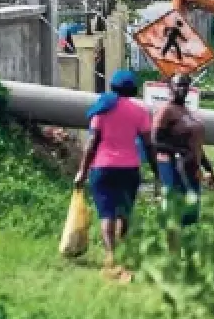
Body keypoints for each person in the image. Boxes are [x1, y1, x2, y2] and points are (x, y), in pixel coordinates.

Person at [74, 70, 157, 281]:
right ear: (132, 89)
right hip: (129, 169)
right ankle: (122, 255)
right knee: (124, 212)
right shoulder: (141, 113)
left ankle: (111, 256)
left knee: (107, 213)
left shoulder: (102, 109)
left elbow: (92, 144)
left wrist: (82, 171)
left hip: (103, 167)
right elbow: (149, 146)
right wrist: (158, 172)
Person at [152, 74, 214, 227]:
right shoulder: (166, 111)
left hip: (192, 170)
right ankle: (171, 248)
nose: (183, 88)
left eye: (186, 85)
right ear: (171, 87)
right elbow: (156, 141)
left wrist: (208, 168)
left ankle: (187, 248)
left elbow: (196, 144)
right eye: (179, 84)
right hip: (174, 168)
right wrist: (181, 151)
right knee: (175, 215)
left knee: (191, 215)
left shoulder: (187, 111)